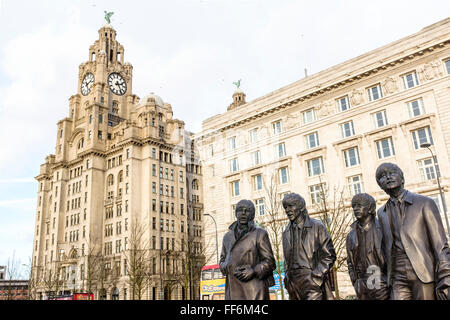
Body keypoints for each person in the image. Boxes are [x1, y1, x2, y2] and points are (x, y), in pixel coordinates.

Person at [375, 162, 450, 300]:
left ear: (402, 178)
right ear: (380, 185)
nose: (388, 177)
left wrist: (446, 276)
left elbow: (440, 245)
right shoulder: (381, 213)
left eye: (392, 173)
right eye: (383, 176)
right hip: (397, 276)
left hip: (423, 271)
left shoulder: (424, 203)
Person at [281, 193, 336, 300]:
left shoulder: (317, 226)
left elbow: (329, 255)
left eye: (291, 206)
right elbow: (286, 260)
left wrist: (317, 276)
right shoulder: (286, 232)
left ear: (301, 207)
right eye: (285, 207)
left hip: (311, 279)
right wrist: (287, 278)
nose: (287, 210)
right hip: (293, 284)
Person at [219, 199, 276, 300]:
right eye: (240, 210)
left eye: (247, 210)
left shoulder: (260, 233)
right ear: (236, 213)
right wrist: (227, 265)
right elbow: (222, 260)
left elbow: (270, 262)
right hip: (233, 290)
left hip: (254, 291)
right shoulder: (227, 237)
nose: (243, 213)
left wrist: (254, 271)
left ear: (252, 214)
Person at [346, 193, 390, 300]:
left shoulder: (383, 228)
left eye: (359, 205)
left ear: (370, 208)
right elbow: (350, 262)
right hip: (361, 283)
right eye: (354, 206)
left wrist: (386, 279)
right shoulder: (351, 235)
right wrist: (355, 281)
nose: (356, 209)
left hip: (379, 279)